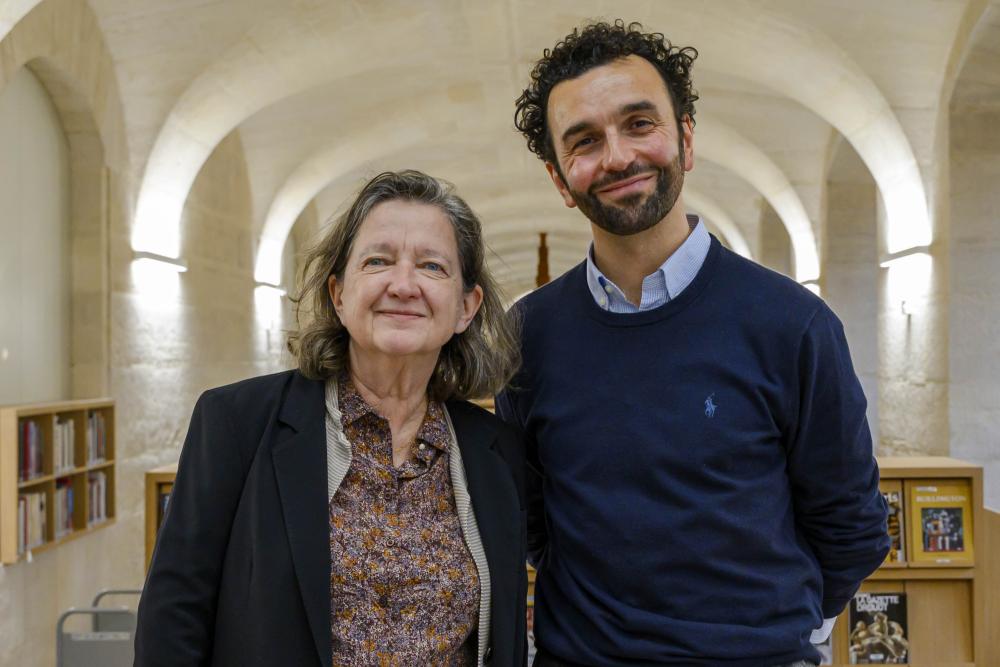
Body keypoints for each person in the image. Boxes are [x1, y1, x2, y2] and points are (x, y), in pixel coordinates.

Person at [497, 20, 889, 666]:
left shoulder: (792, 324)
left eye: (639, 123)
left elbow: (851, 526)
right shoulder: (527, 335)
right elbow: (535, 523)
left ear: (684, 139)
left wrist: (768, 637)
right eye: (585, 141)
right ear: (560, 178)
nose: (617, 156)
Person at [135, 170, 527, 666]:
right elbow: (173, 622)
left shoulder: (495, 451)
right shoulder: (235, 424)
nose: (403, 285)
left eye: (432, 266)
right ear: (339, 295)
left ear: (466, 307)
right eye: (378, 261)